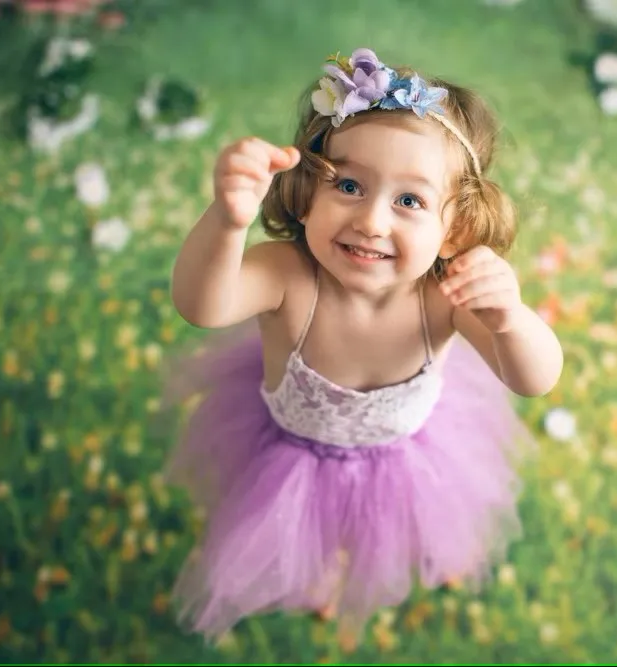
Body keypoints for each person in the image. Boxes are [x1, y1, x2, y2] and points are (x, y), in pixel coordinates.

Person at [162, 47, 564, 646]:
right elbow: (203, 306)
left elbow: (534, 378)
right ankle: (308, 568)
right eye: (349, 185)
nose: (373, 220)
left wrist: (509, 320)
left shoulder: (446, 296)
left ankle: (345, 565)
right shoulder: (288, 275)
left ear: (452, 228)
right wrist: (226, 220)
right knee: (293, 527)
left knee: (373, 531)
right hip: (289, 454)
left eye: (410, 201)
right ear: (306, 191)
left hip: (404, 459)